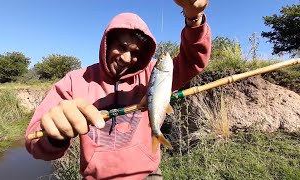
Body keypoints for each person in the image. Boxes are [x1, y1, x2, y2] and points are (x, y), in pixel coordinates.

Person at [25, 0, 211, 179]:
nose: (127, 58)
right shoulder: (75, 81)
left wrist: (194, 18)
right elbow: (34, 142)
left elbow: (192, 60)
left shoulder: (152, 74)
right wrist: (56, 136)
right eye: (122, 47)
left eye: (136, 53)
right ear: (107, 44)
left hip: (148, 175)